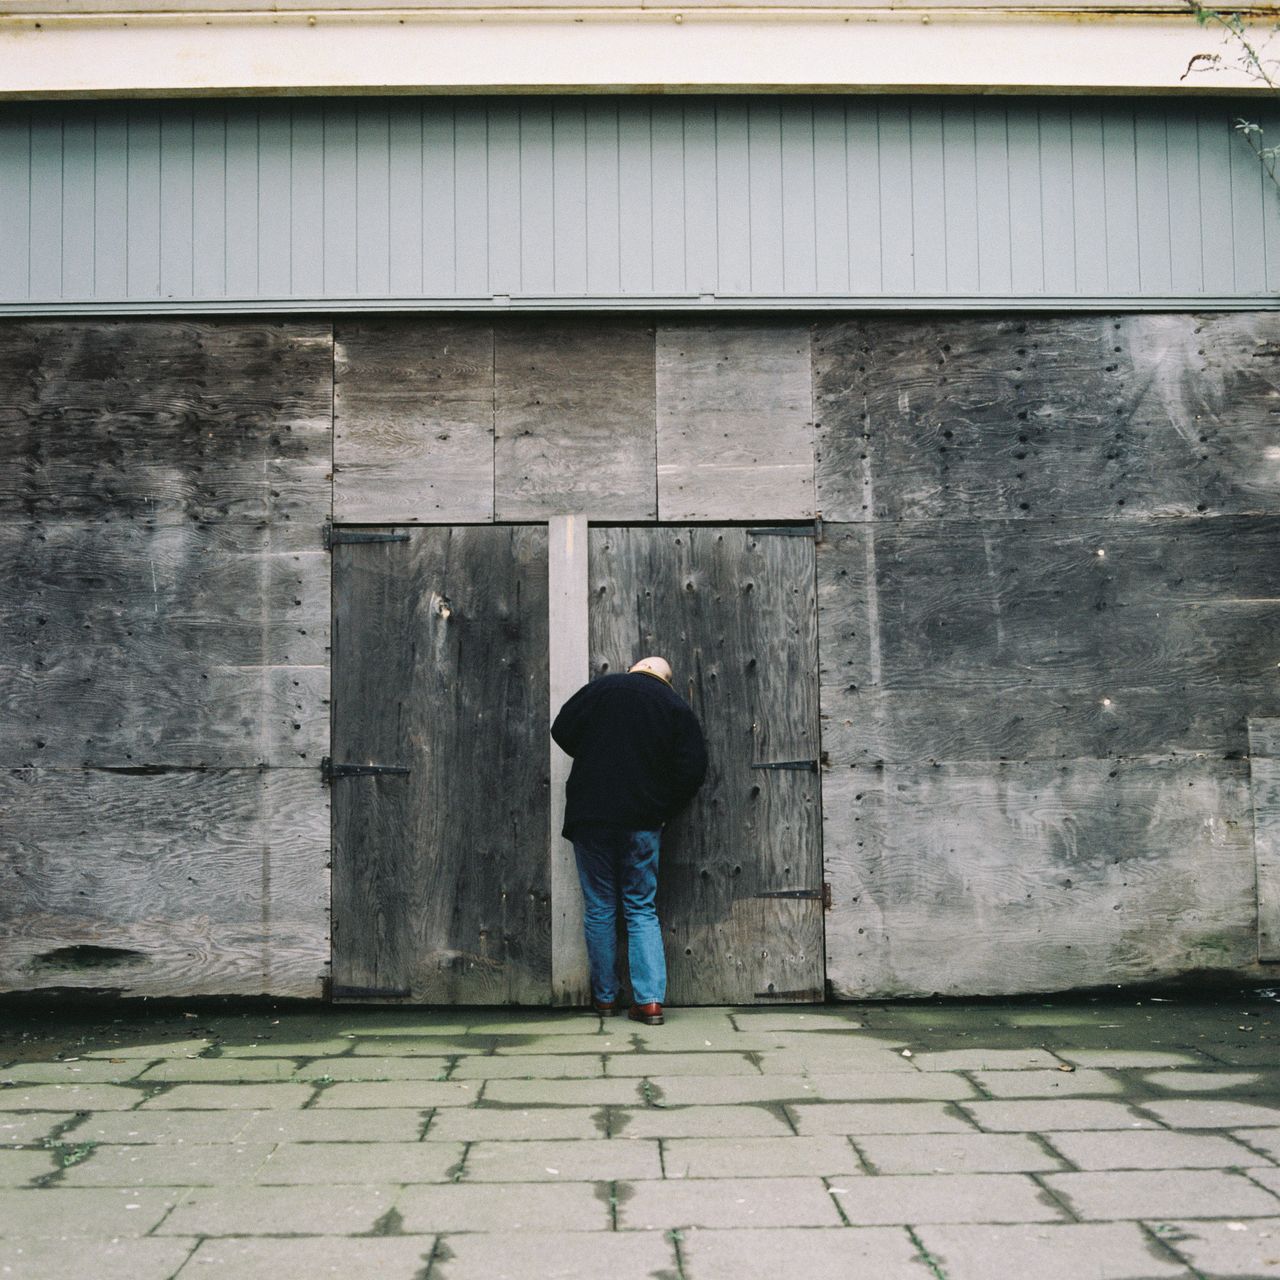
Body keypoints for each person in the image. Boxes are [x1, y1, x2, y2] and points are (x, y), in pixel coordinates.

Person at [551, 657, 708, 1026]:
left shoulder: (600, 690)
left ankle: (605, 999)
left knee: (600, 907)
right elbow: (693, 768)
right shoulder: (673, 706)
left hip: (590, 817)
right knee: (640, 908)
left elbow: (561, 730)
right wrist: (663, 806)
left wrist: (597, 753)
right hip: (641, 820)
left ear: (636, 668)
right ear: (666, 680)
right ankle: (649, 1002)